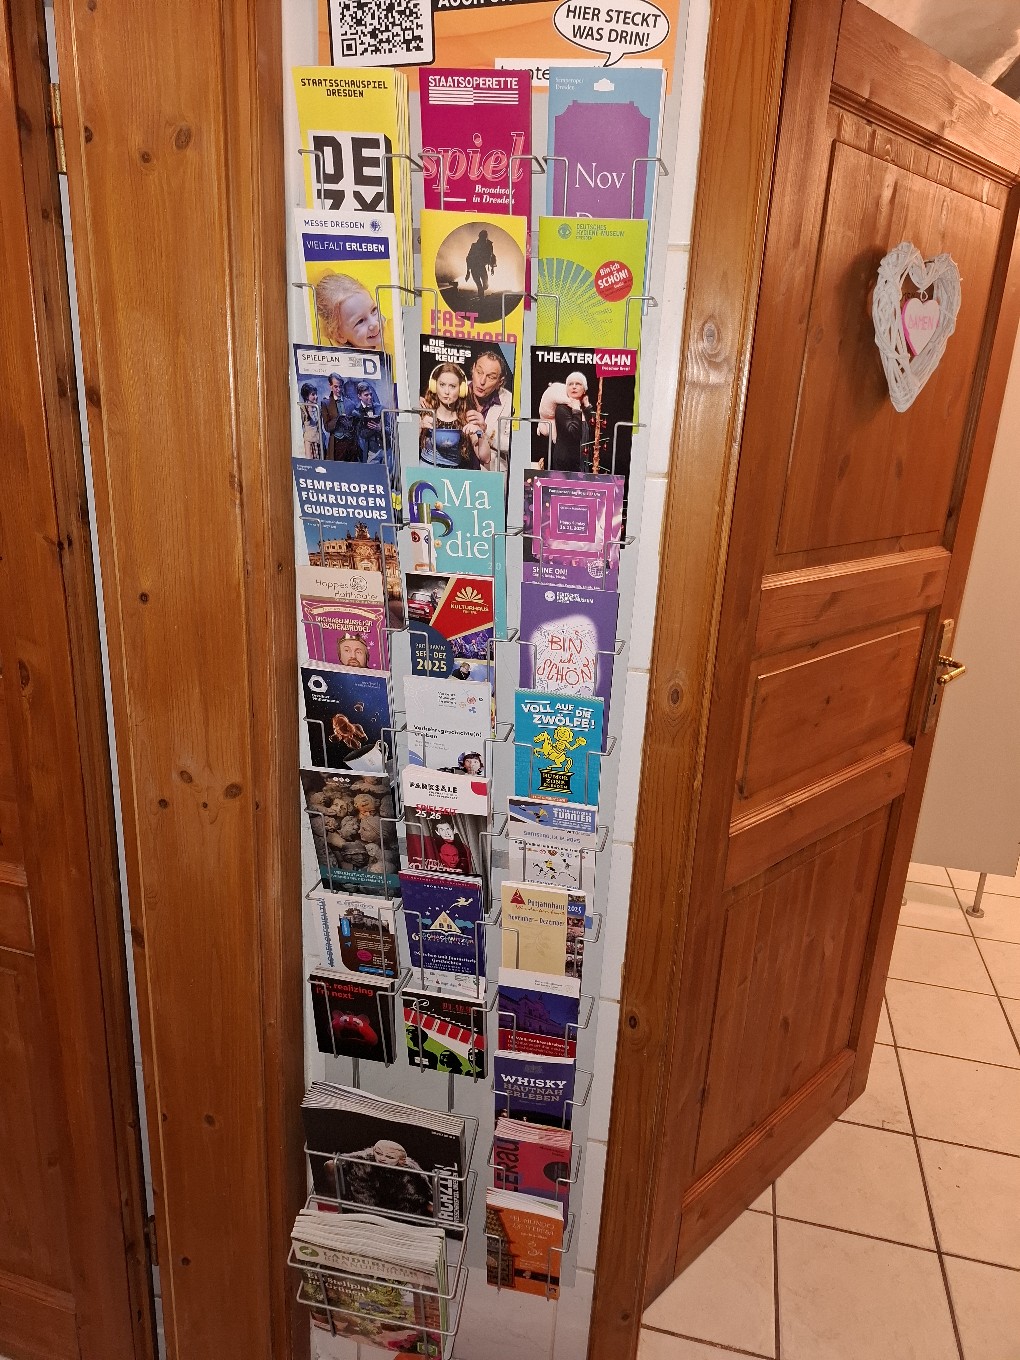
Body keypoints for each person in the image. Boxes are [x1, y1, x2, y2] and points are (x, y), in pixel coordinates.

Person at [419, 362, 491, 469]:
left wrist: (480, 433)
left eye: (452, 386)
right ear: (434, 386)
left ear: (461, 390)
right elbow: (407, 448)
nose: (446, 391)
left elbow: (485, 458)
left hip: (453, 476)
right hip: (425, 471)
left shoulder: (466, 419)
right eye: (442, 385)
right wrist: (419, 426)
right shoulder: (424, 412)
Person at [464, 349, 512, 472]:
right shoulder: (456, 390)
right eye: (479, 372)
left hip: (491, 473)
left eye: (491, 377)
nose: (482, 381)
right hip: (457, 471)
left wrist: (486, 431)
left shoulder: (510, 401)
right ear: (473, 369)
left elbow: (513, 444)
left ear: (500, 382)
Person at [538, 372, 597, 473]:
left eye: (578, 384)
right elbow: (573, 433)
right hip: (566, 464)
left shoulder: (582, 408)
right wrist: (576, 410)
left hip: (582, 460)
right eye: (570, 384)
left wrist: (588, 406)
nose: (574, 387)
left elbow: (595, 428)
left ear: (584, 389)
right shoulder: (562, 409)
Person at [314, 271, 384, 350]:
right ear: (340, 336)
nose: (374, 323)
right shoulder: (342, 356)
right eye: (360, 321)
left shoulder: (391, 330)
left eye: (373, 310)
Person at [321, 372, 356, 461]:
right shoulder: (326, 403)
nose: (339, 389)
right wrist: (338, 419)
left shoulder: (350, 403)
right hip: (336, 444)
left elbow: (355, 426)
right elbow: (327, 427)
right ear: (330, 386)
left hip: (350, 445)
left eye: (340, 386)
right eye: (336, 387)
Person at [351, 380, 383, 463]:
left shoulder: (381, 408)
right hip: (370, 452)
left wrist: (381, 428)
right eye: (366, 395)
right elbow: (361, 434)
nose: (370, 397)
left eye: (371, 394)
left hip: (385, 449)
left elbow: (390, 428)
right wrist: (374, 428)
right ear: (359, 396)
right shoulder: (356, 412)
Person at [464, 230, 496, 301]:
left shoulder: (488, 245)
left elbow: (492, 256)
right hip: (474, 267)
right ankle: (481, 300)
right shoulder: (474, 246)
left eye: (485, 236)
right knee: (479, 286)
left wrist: (492, 268)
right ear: (480, 237)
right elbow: (469, 258)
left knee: (485, 285)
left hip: (481, 267)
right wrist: (468, 272)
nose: (484, 238)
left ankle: (481, 297)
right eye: (482, 237)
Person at [298, 382, 321, 459]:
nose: (316, 396)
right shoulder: (302, 409)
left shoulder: (318, 408)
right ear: (306, 396)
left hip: (319, 442)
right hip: (309, 443)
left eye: (316, 394)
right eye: (313, 394)